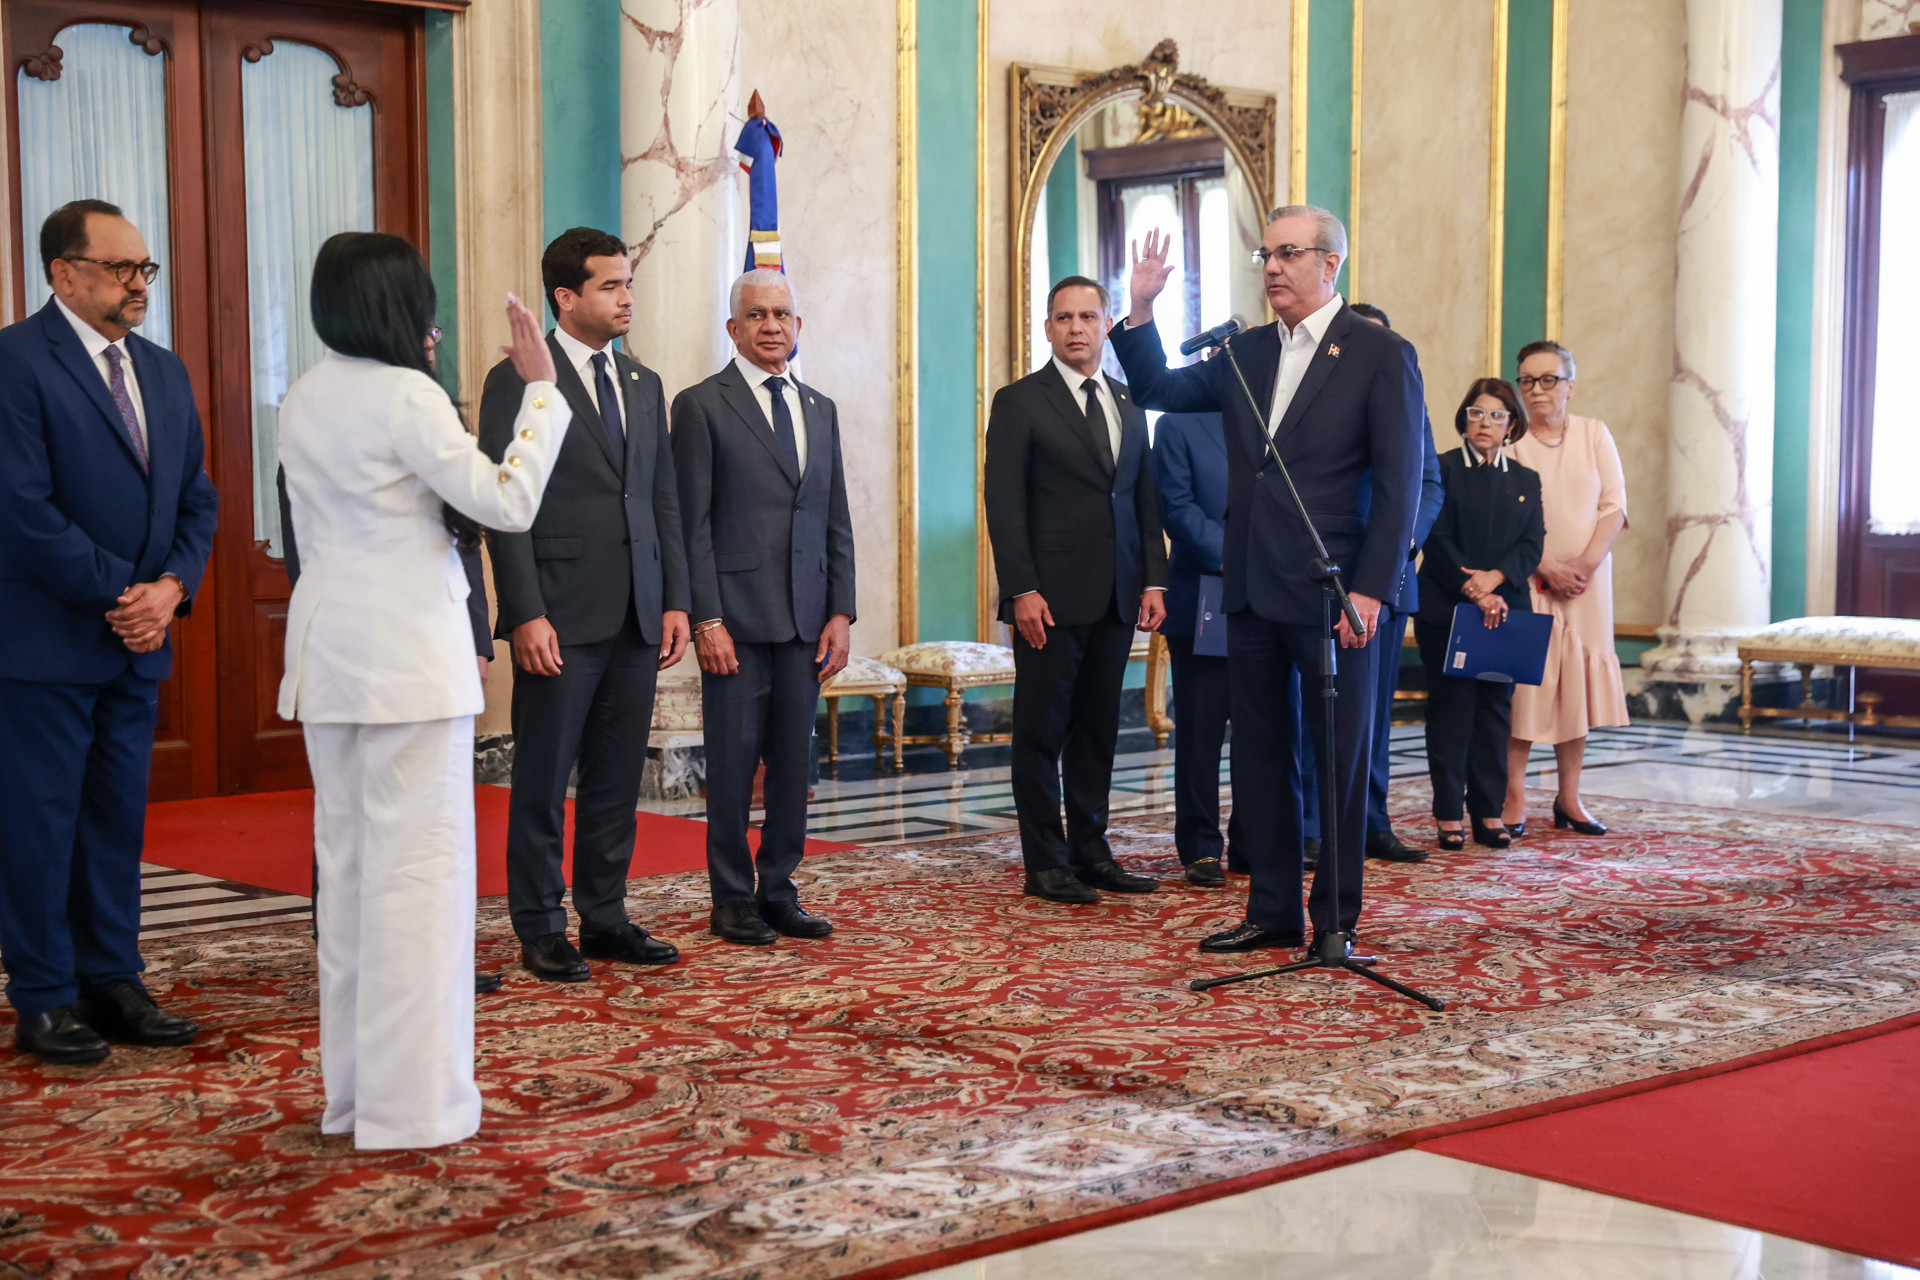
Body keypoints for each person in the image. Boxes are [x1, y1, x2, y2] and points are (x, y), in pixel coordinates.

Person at [278, 232, 570, 1149]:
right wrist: (541, 393)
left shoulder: (304, 395)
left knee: (352, 889)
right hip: (406, 663)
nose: (433, 325)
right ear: (397, 309)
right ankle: (413, 1111)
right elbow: (506, 499)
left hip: (331, 660)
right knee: (419, 890)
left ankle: (356, 1099)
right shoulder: (405, 395)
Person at [1110, 206, 1425, 955]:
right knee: (1259, 755)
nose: (1273, 268)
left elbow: (1401, 481)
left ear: (1329, 264)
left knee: (1338, 760)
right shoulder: (1246, 351)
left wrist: (1372, 588)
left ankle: (1336, 922)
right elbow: (1155, 387)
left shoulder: (1379, 352)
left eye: (1288, 254)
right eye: (1266, 256)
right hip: (1250, 591)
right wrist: (1143, 308)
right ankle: (1273, 911)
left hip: (1334, 593)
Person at [0, 200, 219, 1065]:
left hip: (139, 641)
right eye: (120, 268)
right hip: (45, 641)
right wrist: (122, 595)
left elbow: (197, 499)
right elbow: (21, 508)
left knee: (115, 822)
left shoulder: (161, 370)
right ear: (64, 273)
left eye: (144, 268)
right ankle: (44, 995)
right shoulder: (16, 361)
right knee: (39, 824)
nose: (139, 284)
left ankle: (113, 979)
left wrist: (171, 590)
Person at [480, 228, 691, 983]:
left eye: (629, 282)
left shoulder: (643, 382)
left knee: (615, 781)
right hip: (559, 615)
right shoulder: (517, 378)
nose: (627, 297)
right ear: (566, 297)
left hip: (637, 612)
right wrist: (525, 612)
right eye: (611, 285)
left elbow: (662, 498)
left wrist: (675, 600)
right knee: (543, 781)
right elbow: (504, 506)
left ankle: (605, 915)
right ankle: (540, 924)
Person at [672, 269, 855, 945]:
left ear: (798, 326)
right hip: (736, 622)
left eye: (782, 314)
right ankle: (731, 897)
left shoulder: (820, 408)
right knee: (731, 765)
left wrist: (841, 612)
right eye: (756, 314)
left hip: (807, 620)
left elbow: (835, 518)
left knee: (791, 767)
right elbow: (691, 524)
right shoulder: (701, 405)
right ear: (734, 328)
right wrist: (706, 619)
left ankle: (779, 889)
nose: (771, 325)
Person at [986, 276, 1169, 904]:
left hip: (1117, 595)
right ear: (1048, 328)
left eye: (1088, 317)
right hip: (1048, 601)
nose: (1076, 328)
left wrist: (1153, 579)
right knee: (1041, 733)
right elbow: (1003, 503)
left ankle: (1092, 853)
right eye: (1064, 318)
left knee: (1097, 731)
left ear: (1105, 325)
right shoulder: (1019, 401)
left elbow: (1143, 499)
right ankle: (1046, 863)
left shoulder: (1128, 400)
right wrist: (1021, 589)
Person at [1295, 301, 1444, 869]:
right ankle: (1313, 824)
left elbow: (1427, 484)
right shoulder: (1325, 406)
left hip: (1388, 580)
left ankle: (1372, 822)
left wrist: (1397, 549)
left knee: (1374, 715)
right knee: (1320, 709)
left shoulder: (1407, 398)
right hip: (1328, 576)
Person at [1502, 340, 1629, 837]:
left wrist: (1583, 566)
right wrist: (1548, 566)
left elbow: (1613, 506)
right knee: (1525, 689)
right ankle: (1514, 795)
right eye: (1528, 380)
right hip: (1532, 578)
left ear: (1570, 386)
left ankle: (1569, 797)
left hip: (1587, 586)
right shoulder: (1511, 445)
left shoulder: (1594, 434)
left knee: (1575, 686)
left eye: (1549, 379)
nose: (1537, 389)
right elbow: (1504, 522)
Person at [1416, 378, 1543, 850]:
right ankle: (1449, 814)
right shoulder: (1443, 468)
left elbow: (1532, 545)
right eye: (1476, 413)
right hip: (1448, 608)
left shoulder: (1526, 480)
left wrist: (1495, 579)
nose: (1484, 423)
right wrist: (1474, 588)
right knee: (1452, 712)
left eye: (1495, 415)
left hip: (1504, 612)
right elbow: (1435, 536)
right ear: (1464, 418)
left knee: (1494, 713)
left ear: (1512, 424)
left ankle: (1489, 811)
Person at [1154, 408, 1239, 887]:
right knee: (1201, 732)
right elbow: (1177, 506)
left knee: (1265, 732)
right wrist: (1237, 556)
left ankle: (1254, 839)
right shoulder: (1177, 424)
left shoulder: (1277, 414)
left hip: (1274, 594)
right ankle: (1201, 846)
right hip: (1205, 594)